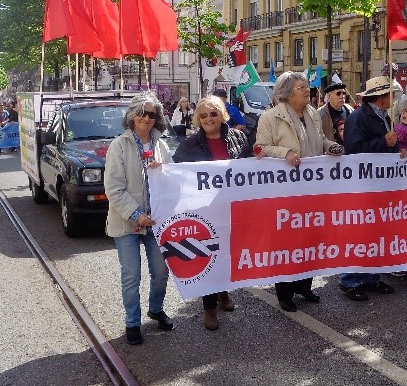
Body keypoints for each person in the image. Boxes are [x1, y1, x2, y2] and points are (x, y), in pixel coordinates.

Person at [254, 71, 344, 312]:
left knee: (311, 238)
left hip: (313, 189)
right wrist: (286, 154)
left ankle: (305, 285)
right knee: (288, 241)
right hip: (285, 192)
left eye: (306, 86)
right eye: (301, 87)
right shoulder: (270, 117)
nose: (307, 90)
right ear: (286, 92)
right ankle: (284, 292)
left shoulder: (312, 113)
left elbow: (322, 139)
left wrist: (331, 146)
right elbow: (260, 148)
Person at [172, 95, 251, 330]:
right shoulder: (189, 144)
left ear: (222, 115)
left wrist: (257, 160)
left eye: (213, 114)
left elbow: (248, 166)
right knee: (209, 254)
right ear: (198, 119)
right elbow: (176, 171)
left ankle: (223, 292)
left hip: (231, 207)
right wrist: (160, 170)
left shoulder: (238, 137)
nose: (209, 119)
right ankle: (209, 308)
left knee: (227, 252)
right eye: (203, 115)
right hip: (204, 210)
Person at [104, 92, 173, 346]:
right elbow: (113, 188)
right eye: (142, 113)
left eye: (152, 114)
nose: (146, 118)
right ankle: (132, 322)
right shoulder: (119, 146)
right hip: (127, 222)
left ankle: (156, 308)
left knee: (161, 270)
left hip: (155, 222)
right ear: (132, 115)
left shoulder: (161, 145)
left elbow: (172, 183)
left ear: (157, 119)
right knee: (132, 274)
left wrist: (163, 171)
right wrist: (136, 214)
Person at [340, 76, 401, 301]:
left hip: (380, 183)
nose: (393, 99)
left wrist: (397, 150)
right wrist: (383, 142)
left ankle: (372, 277)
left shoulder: (384, 116)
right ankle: (350, 280)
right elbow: (354, 150)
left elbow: (388, 143)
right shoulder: (358, 117)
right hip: (363, 184)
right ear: (381, 98)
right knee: (360, 233)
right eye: (390, 95)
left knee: (377, 232)